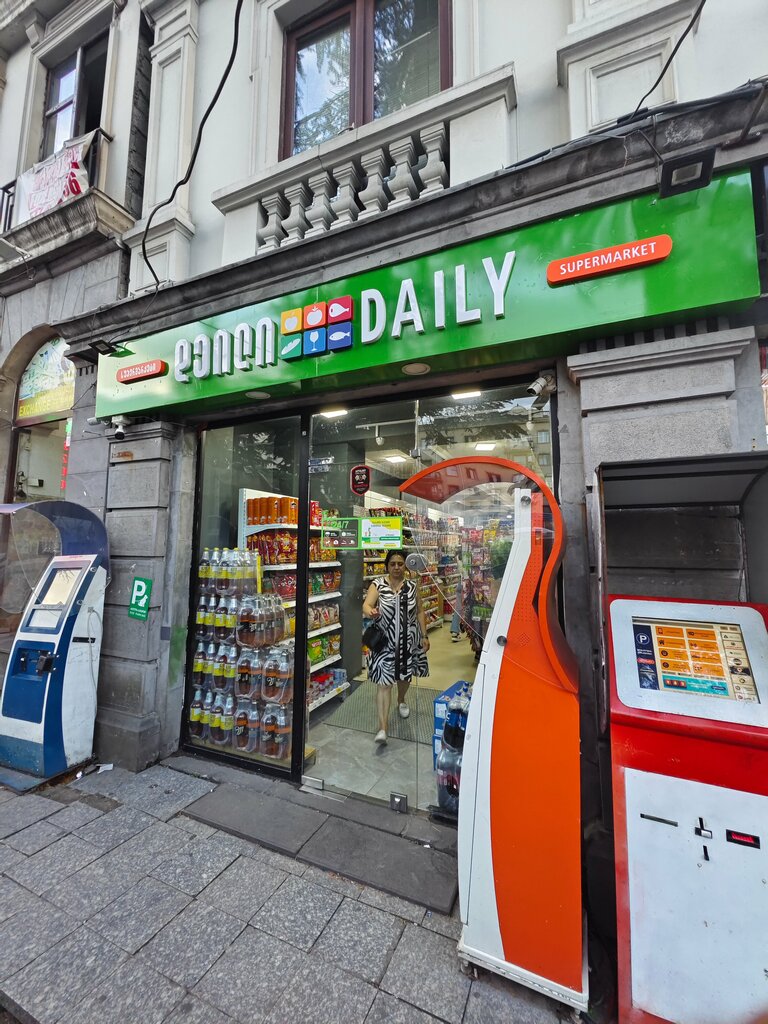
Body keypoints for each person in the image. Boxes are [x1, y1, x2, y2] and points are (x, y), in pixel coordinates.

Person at [362, 548, 430, 745]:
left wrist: (424, 635)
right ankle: (383, 728)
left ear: (405, 566)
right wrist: (370, 612)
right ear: (387, 566)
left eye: (400, 564)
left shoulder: (412, 586)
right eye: (393, 564)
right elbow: (366, 605)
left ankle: (401, 699)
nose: (397, 567)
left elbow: (419, 611)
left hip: (408, 640)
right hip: (384, 642)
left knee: (404, 677)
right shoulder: (378, 584)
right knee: (384, 684)